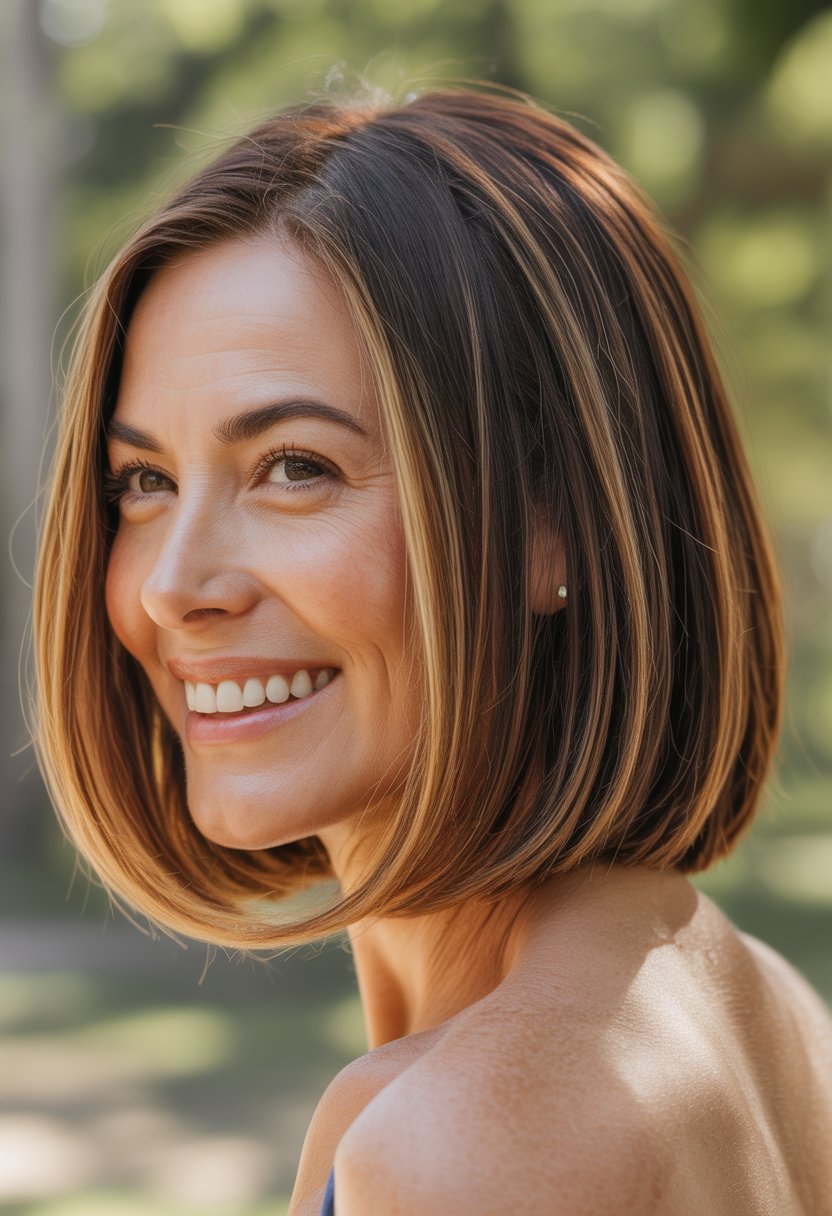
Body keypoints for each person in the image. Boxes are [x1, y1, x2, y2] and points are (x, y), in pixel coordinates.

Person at [33, 86, 832, 1215]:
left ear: (550, 518)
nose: (172, 588)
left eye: (294, 466)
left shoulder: (457, 1149)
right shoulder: (765, 1010)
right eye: (145, 483)